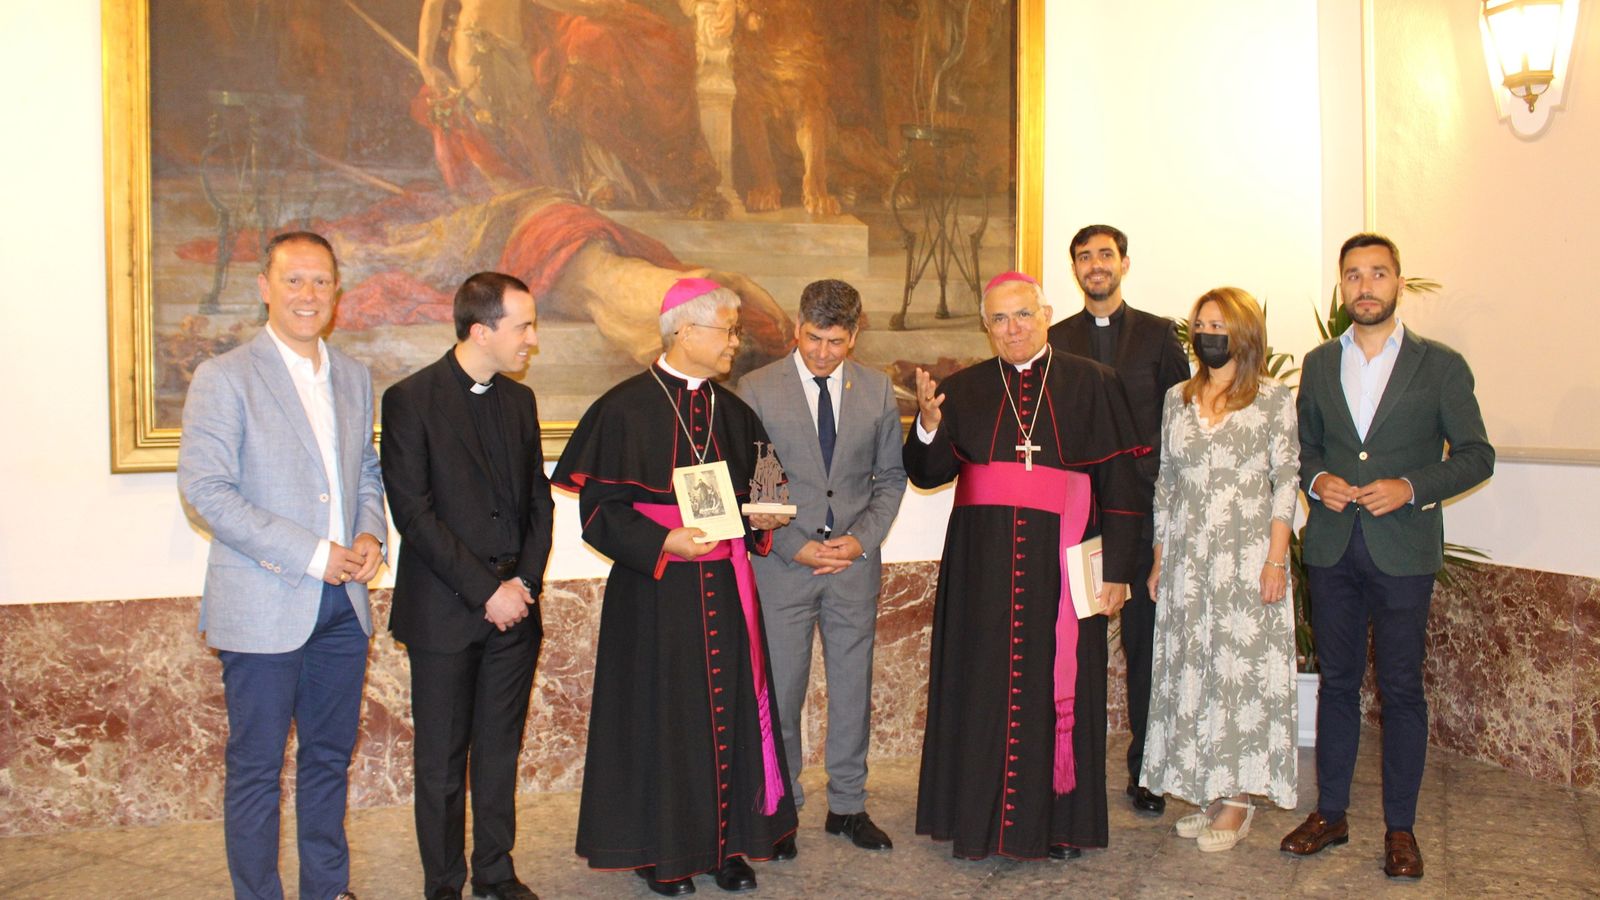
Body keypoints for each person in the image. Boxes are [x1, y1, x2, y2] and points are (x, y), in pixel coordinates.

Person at [552, 278, 798, 896]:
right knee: (662, 717)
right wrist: (664, 541)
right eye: (728, 330)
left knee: (732, 710)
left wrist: (764, 518)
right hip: (656, 591)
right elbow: (600, 511)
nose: (736, 344)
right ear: (685, 331)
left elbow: (763, 496)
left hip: (725, 582)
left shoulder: (735, 412)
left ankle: (727, 845)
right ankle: (660, 853)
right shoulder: (624, 407)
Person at [905, 271, 1151, 861]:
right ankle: (977, 820)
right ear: (985, 326)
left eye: (1022, 315)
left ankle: (1060, 825)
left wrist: (1116, 568)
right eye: (999, 319)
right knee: (982, 684)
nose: (1012, 329)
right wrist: (929, 425)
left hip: (1062, 564)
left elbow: (1121, 483)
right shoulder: (961, 389)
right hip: (981, 571)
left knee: (1061, 680)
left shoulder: (1094, 382)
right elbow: (927, 473)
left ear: (1044, 315)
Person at [178, 231, 386, 900]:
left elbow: (364, 470)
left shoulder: (353, 376)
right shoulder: (225, 376)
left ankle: (326, 889)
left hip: (343, 607)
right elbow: (205, 490)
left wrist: (370, 533)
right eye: (293, 280)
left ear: (337, 293)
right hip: (264, 604)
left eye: (320, 281)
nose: (307, 294)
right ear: (265, 287)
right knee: (257, 768)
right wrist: (311, 552)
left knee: (328, 760)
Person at [1280, 233, 1493, 879]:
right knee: (1338, 686)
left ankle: (1401, 829)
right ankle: (1332, 815)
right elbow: (1305, 450)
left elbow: (1477, 455)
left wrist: (1411, 487)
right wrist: (1317, 484)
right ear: (1341, 286)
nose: (1365, 285)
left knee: (1402, 691)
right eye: (1353, 275)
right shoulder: (1320, 363)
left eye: (1377, 273)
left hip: (1404, 550)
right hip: (1333, 547)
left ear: (1398, 282)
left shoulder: (1441, 366)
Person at [380, 272, 555, 900]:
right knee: (443, 763)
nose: (532, 339)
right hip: (446, 615)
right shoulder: (410, 399)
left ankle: (495, 872)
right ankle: (444, 883)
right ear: (482, 330)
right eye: (524, 326)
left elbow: (539, 500)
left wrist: (524, 582)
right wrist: (488, 590)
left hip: (517, 611)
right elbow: (414, 514)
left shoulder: (520, 402)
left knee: (500, 752)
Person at [737, 279, 908, 856]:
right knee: (782, 690)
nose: (823, 353)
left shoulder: (879, 390)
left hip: (853, 569)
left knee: (851, 688)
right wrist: (792, 546)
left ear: (854, 335)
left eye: (836, 341)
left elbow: (890, 479)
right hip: (784, 567)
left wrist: (860, 542)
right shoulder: (757, 389)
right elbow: (754, 485)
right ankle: (783, 810)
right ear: (796, 328)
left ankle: (849, 806)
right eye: (813, 338)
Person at [1139, 287, 1299, 852]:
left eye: (1220, 324)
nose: (1209, 332)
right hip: (1187, 559)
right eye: (1202, 323)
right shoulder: (1176, 398)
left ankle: (1237, 800)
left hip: (1246, 557)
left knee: (1239, 672)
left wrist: (1276, 559)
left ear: (1244, 332)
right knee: (1197, 668)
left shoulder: (1274, 399)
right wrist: (1160, 558)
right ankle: (1210, 790)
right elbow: (1166, 484)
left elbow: (1286, 481)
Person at [1048, 224, 1190, 817]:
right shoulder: (1054, 339)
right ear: (1075, 269)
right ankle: (1068, 769)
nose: (1095, 265)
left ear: (1124, 264)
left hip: (1147, 512)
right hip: (1080, 515)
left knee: (1145, 647)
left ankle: (1147, 771)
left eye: (1105, 255)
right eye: (1085, 257)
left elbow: (1183, 418)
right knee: (1072, 646)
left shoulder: (1159, 336)